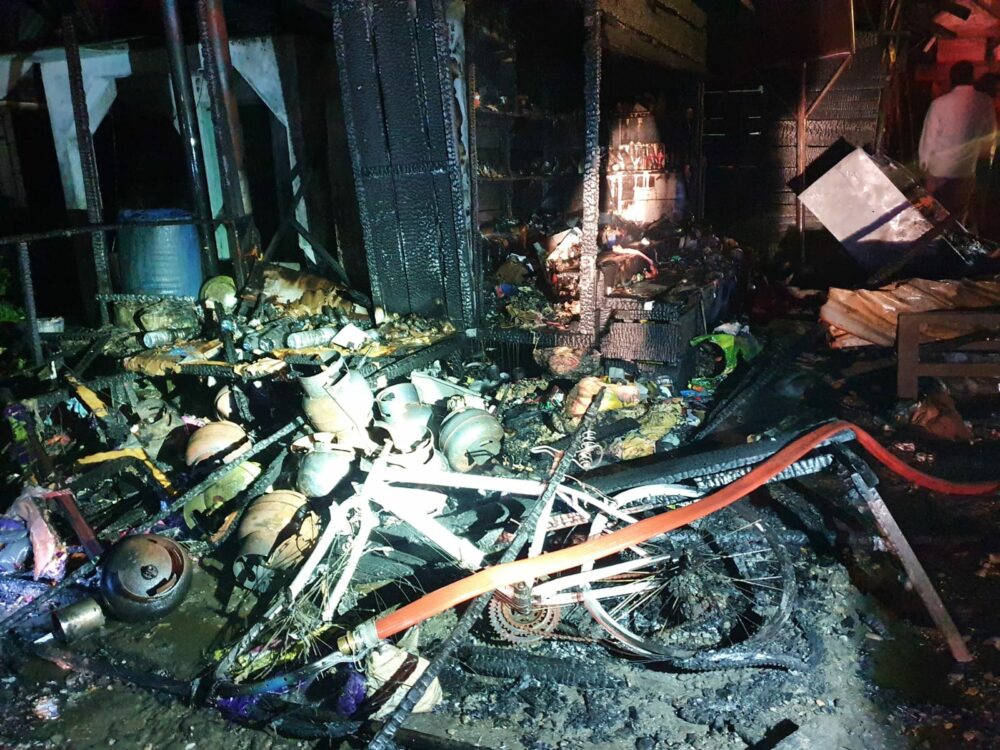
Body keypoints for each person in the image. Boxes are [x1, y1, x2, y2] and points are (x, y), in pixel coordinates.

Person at [918, 60, 997, 223]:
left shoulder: (938, 104)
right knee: (957, 219)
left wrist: (924, 166)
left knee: (933, 219)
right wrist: (984, 164)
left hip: (938, 170)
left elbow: (928, 139)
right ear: (972, 78)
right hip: (964, 170)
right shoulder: (984, 102)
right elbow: (989, 137)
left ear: (952, 78)